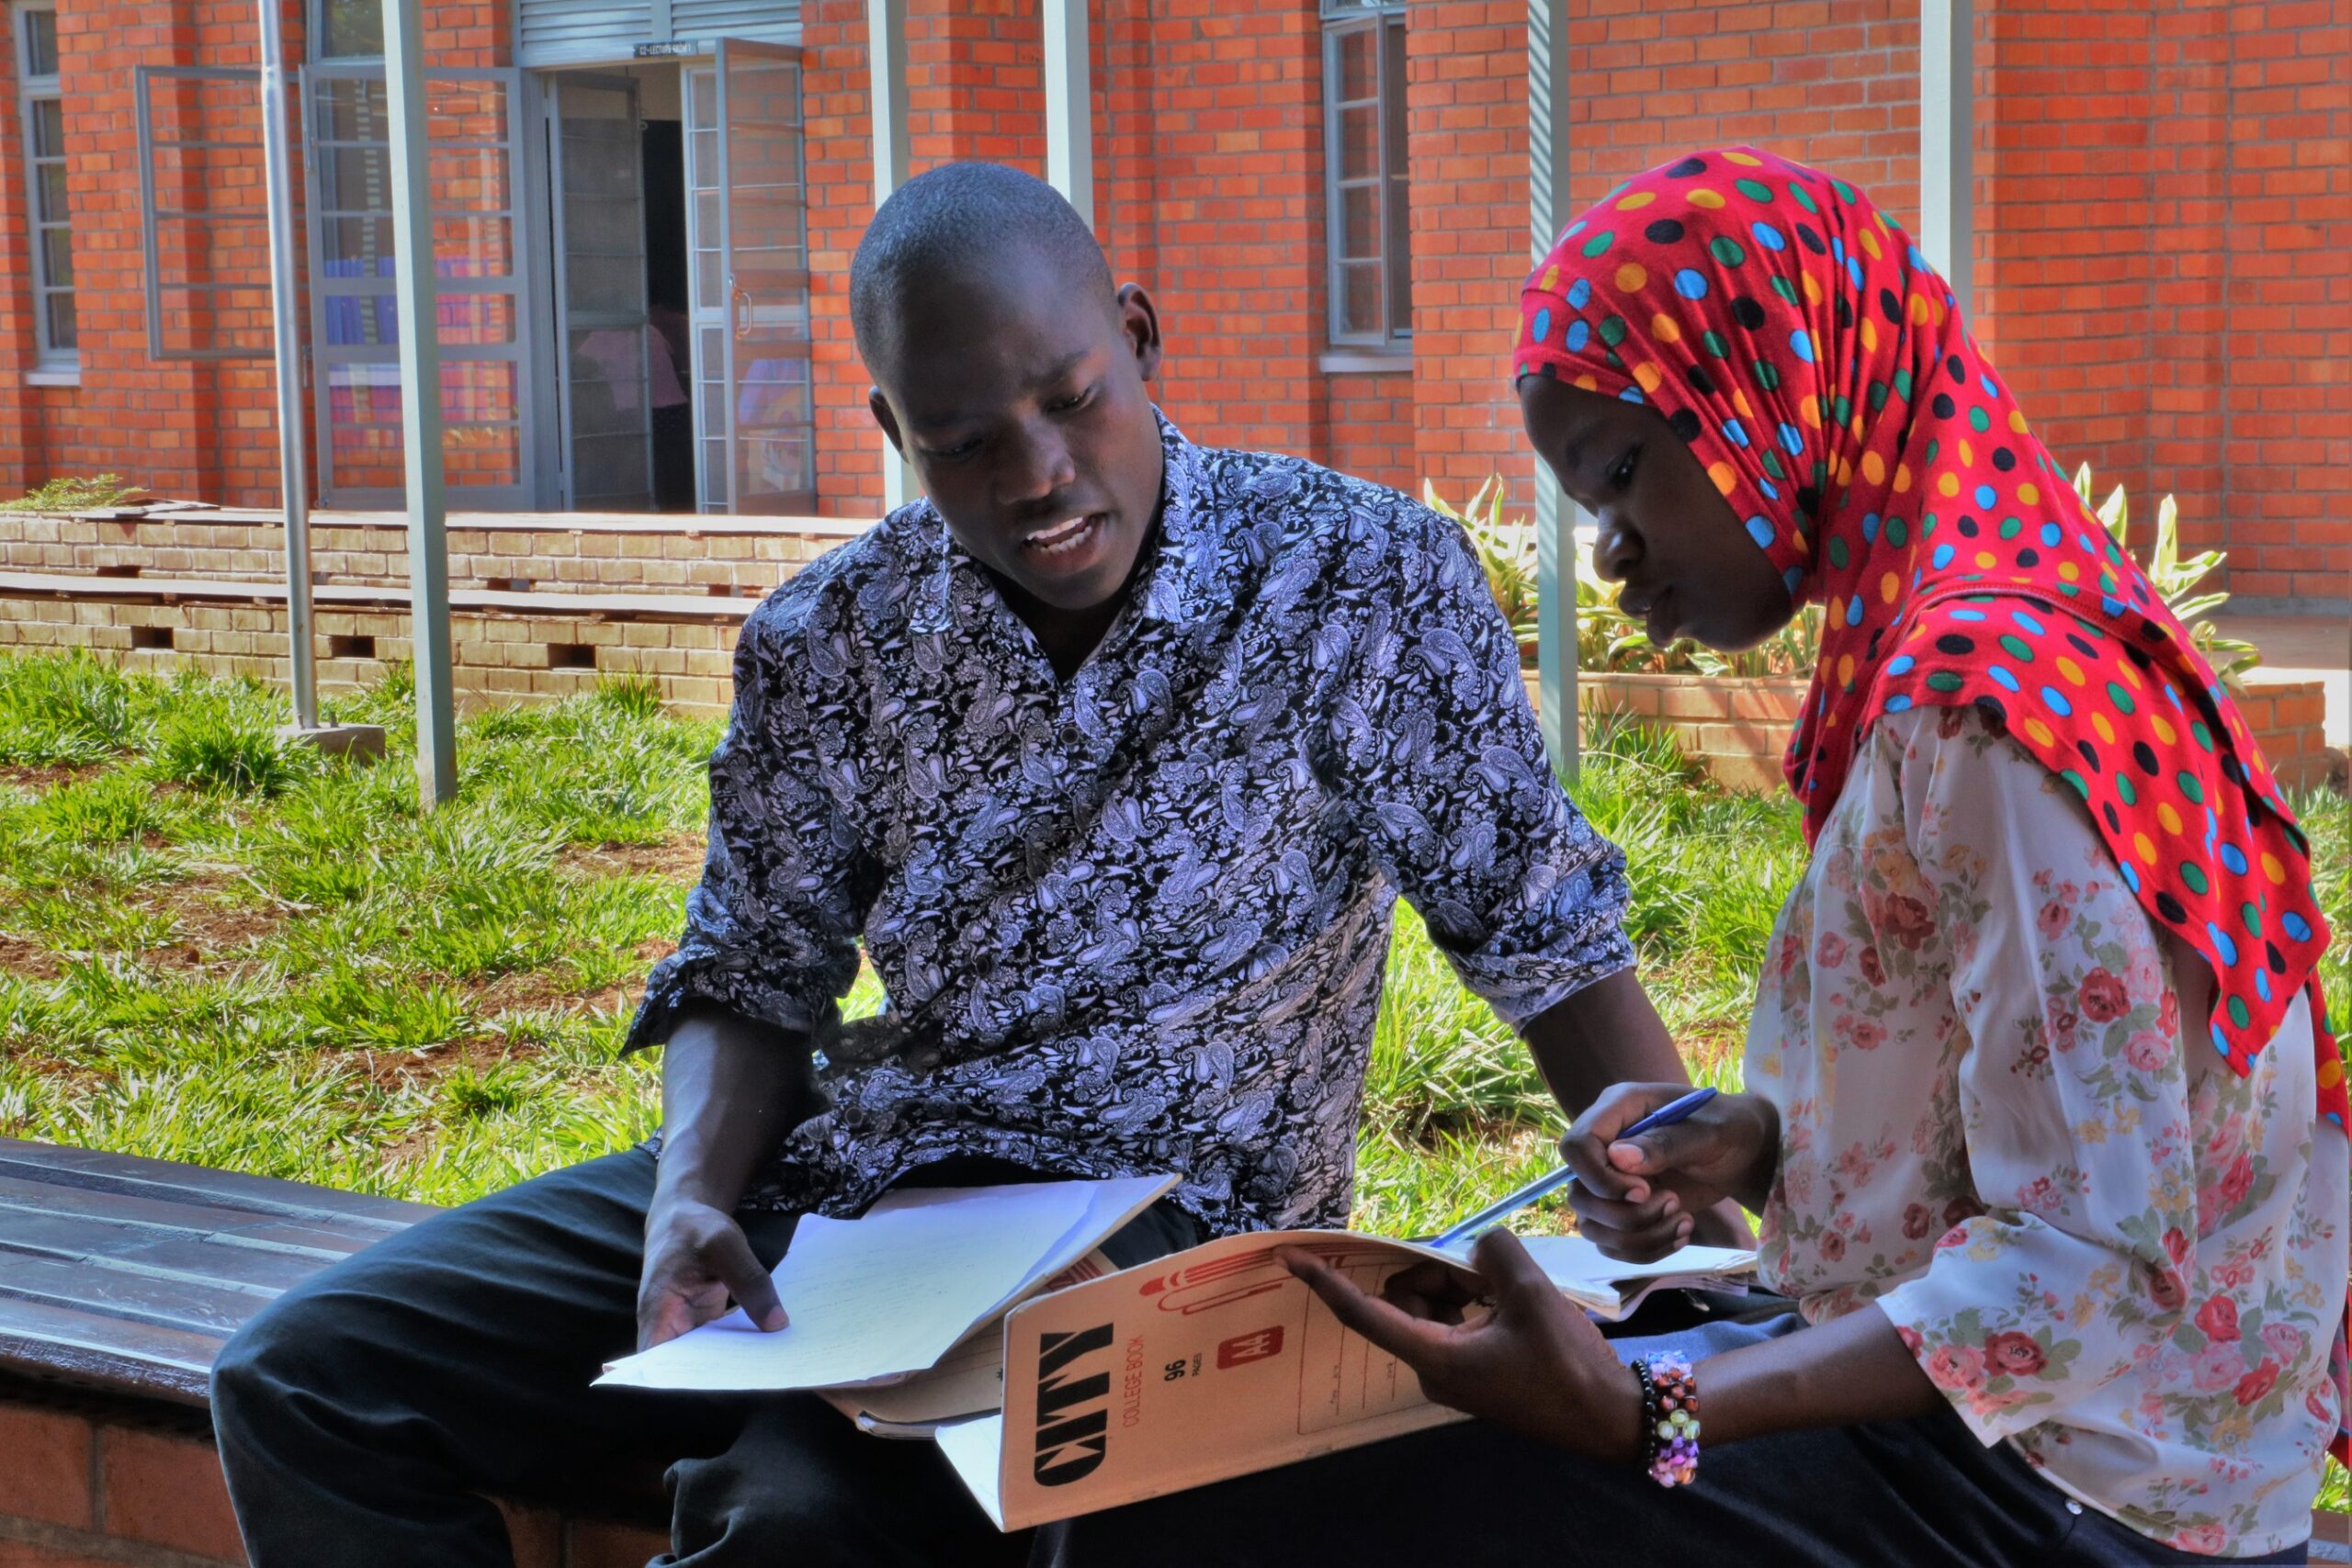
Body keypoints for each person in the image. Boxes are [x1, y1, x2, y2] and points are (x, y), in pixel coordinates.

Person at [209, 162, 1736, 1567]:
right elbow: (751, 968)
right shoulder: (832, 640)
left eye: (1071, 400)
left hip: (1161, 1232)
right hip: (850, 1196)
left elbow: (1547, 934)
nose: (1036, 476)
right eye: (961, 443)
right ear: (894, 434)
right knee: (304, 1379)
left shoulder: (1359, 581)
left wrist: (1724, 1260)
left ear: (1137, 337)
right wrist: (692, 1199)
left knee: (793, 1525)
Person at [1042, 147, 2347, 1567]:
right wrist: (1770, 1150)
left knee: (1289, 1495)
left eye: (1619, 473)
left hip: (2077, 1503)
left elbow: (2090, 1263)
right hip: (2068, 1442)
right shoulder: (2002, 618)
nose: (1607, 556)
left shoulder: (1988, 716)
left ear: (1772, 391)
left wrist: (1645, 1412)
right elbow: (2084, 1120)